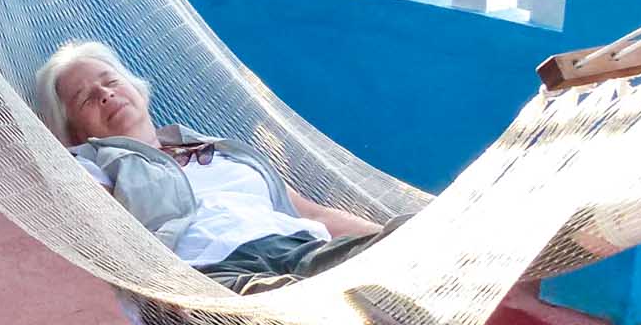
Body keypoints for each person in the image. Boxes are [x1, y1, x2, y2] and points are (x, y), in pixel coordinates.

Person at [33, 40, 396, 295]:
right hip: (211, 281)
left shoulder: (222, 151)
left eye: (111, 81)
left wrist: (396, 241)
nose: (106, 94)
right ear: (74, 133)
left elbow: (314, 213)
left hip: (298, 252)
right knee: (290, 303)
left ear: (138, 90)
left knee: (408, 243)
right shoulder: (93, 167)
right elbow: (99, 227)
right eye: (86, 99)